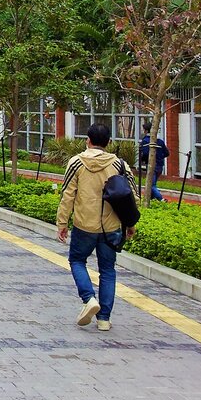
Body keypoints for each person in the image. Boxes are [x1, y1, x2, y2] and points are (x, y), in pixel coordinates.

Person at [56, 123, 137, 332]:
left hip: (84, 225)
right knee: (108, 270)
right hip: (112, 227)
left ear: (87, 140)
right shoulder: (120, 165)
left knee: (76, 260)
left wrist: (62, 223)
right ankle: (104, 320)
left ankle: (88, 298)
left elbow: (67, 195)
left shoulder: (76, 163)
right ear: (108, 142)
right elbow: (132, 197)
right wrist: (130, 224)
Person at [139, 121, 169, 202]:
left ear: (146, 130)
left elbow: (145, 154)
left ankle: (161, 199)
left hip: (151, 165)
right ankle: (151, 199)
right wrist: (160, 157)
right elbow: (166, 153)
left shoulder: (145, 141)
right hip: (160, 165)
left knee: (151, 185)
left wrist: (143, 160)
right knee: (153, 183)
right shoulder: (160, 141)